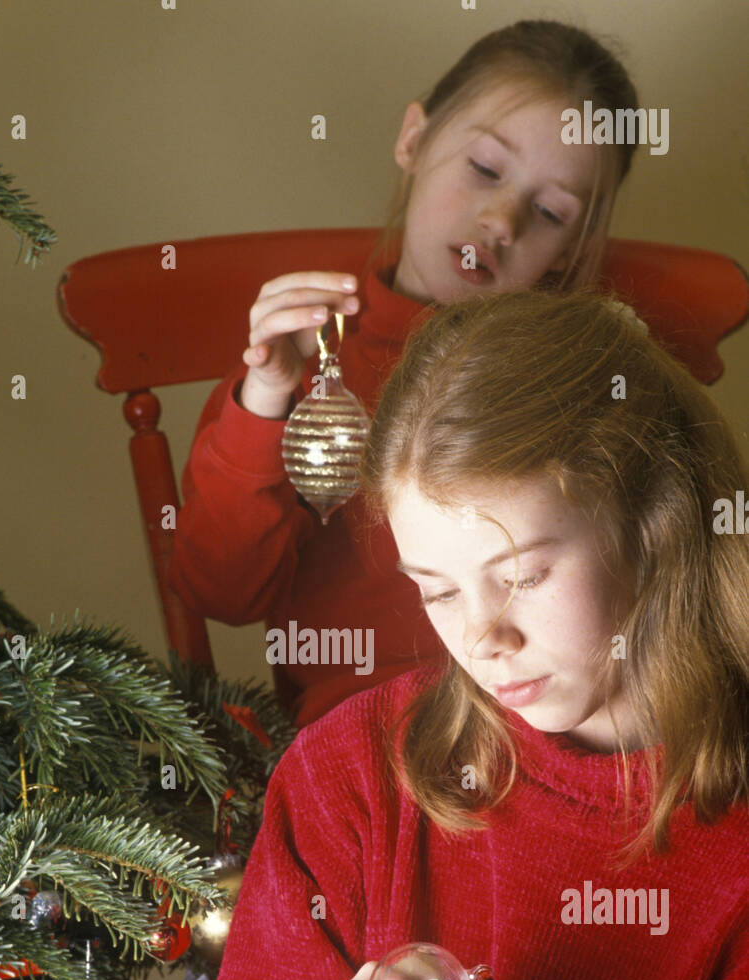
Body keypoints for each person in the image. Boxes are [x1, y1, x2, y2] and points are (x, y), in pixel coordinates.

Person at [183, 289, 749, 980]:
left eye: (521, 573)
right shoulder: (353, 772)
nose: (480, 635)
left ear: (656, 524)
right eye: (436, 587)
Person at [169, 20, 641, 727]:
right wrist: (266, 396)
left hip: (549, 730)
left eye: (548, 212)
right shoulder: (316, 360)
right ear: (414, 140)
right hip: (365, 739)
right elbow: (222, 592)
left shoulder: (572, 376)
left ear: (571, 252)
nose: (501, 219)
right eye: (485, 169)